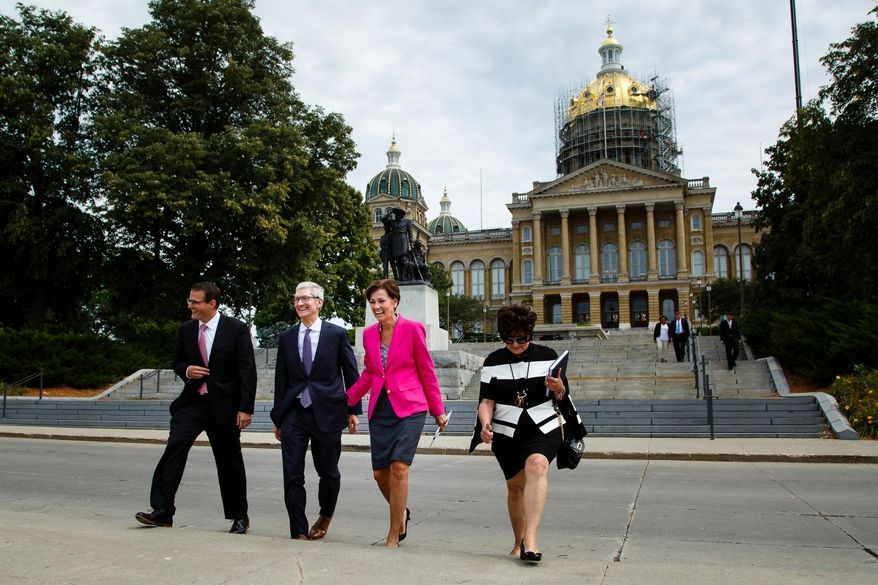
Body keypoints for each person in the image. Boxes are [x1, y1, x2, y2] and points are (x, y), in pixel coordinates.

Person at [136, 282, 256, 533]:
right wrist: (187, 370)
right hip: (192, 403)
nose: (189, 306)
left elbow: (247, 370)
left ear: (212, 303)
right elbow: (178, 360)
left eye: (195, 302)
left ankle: (239, 516)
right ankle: (162, 511)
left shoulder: (236, 329)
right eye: (189, 301)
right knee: (174, 448)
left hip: (224, 406)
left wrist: (245, 408)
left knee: (229, 461)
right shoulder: (186, 329)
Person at [346, 279, 448, 548]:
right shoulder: (369, 334)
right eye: (373, 302)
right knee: (381, 474)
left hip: (411, 407)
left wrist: (437, 410)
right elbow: (370, 372)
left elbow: (426, 371)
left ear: (395, 301)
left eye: (381, 301)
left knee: (399, 468)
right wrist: (347, 402)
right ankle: (401, 511)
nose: (377, 306)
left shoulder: (413, 329)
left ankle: (394, 533)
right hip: (380, 408)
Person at [469, 304, 567, 563]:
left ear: (530, 333)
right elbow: (486, 401)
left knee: (537, 466)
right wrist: (485, 424)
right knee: (515, 489)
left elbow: (561, 396)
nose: (514, 344)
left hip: (542, 426)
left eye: (520, 339)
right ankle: (518, 540)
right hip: (506, 431)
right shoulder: (493, 361)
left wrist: (559, 387)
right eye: (508, 339)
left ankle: (531, 540)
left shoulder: (548, 356)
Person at [270, 282, 362, 541]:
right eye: (297, 298)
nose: (300, 303)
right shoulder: (287, 336)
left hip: (329, 412)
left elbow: (351, 373)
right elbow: (282, 379)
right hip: (294, 413)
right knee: (292, 473)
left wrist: (353, 409)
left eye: (306, 299)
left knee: (329, 472)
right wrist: (279, 416)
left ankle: (325, 514)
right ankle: (298, 529)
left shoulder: (336, 334)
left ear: (319, 302)